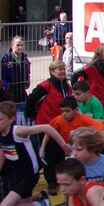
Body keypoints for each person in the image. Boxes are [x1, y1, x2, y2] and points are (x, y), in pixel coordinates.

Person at [25, 60, 73, 194]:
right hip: (47, 125)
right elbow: (31, 99)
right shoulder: (46, 86)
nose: (62, 71)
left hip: (61, 126)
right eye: (59, 69)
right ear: (52, 72)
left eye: (63, 69)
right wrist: (31, 115)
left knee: (60, 154)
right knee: (50, 155)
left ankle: (59, 178)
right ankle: (51, 181)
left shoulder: (66, 86)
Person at [0, 36, 31, 102]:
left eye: (22, 45)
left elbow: (27, 73)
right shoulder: (6, 58)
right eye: (18, 45)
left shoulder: (25, 58)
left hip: (22, 89)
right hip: (10, 90)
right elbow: (3, 75)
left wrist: (27, 82)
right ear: (12, 45)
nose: (20, 47)